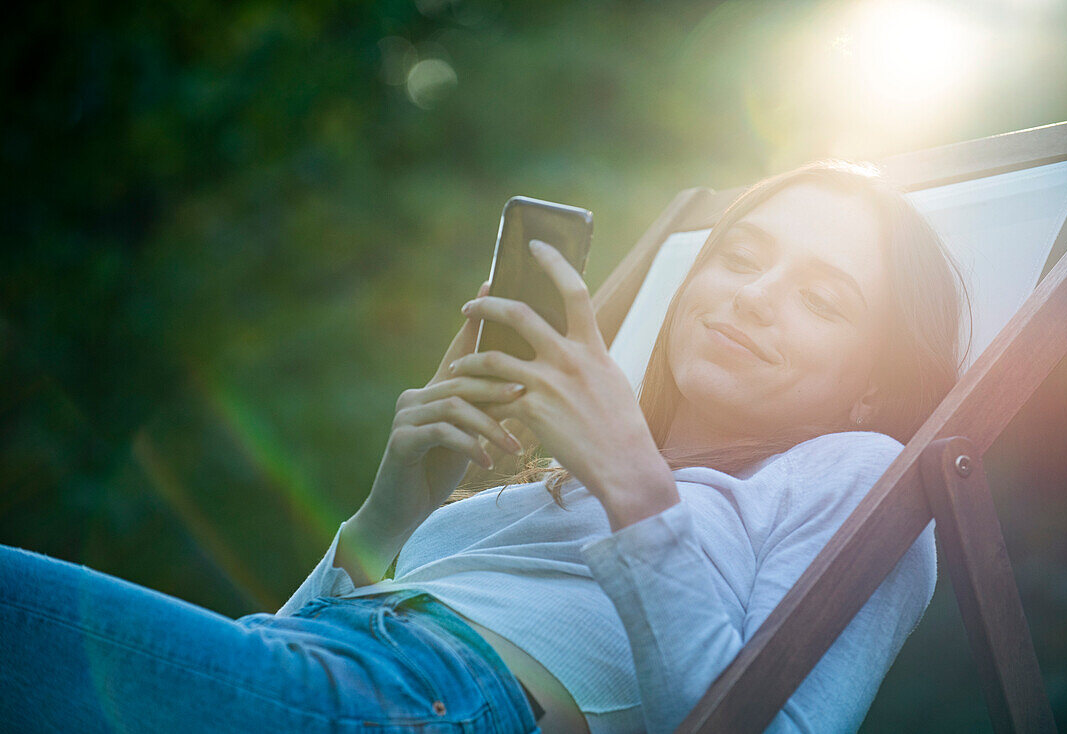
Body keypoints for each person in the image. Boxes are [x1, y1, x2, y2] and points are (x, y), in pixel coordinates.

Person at [1, 161, 967, 734]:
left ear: (874, 379)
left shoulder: (862, 474)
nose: (755, 295)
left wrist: (635, 484)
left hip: (430, 701)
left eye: (822, 296)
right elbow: (283, 645)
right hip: (327, 671)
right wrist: (394, 509)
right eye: (743, 256)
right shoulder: (552, 474)